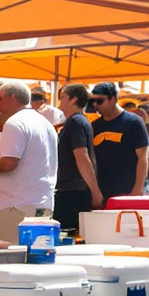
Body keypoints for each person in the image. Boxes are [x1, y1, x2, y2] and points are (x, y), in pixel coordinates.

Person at [0, 83, 57, 241]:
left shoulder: (15, 123)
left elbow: (8, 164)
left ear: (13, 97)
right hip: (40, 205)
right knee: (33, 260)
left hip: (14, 208)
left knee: (7, 261)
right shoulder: (45, 124)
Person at [51, 84, 104, 235]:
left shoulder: (76, 122)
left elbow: (81, 156)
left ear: (74, 99)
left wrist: (94, 190)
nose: (60, 101)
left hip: (73, 191)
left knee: (68, 236)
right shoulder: (78, 121)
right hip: (74, 189)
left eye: (63, 97)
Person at [85, 84, 149, 202]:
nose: (95, 105)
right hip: (104, 192)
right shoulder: (95, 126)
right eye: (92, 101)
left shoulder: (133, 122)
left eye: (100, 101)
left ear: (113, 99)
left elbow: (142, 157)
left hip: (128, 191)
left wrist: (138, 188)